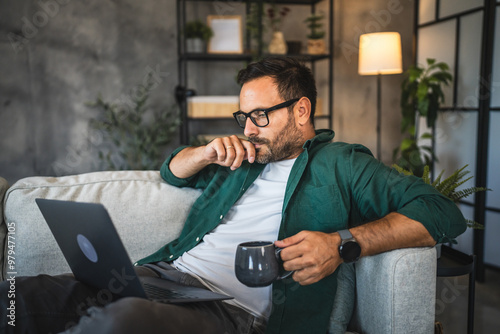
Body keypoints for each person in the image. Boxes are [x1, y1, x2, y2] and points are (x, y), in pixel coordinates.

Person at [0, 57, 466, 334]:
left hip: (227, 312)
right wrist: (204, 153)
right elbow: (172, 172)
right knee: (23, 296)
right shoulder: (240, 157)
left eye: (260, 115)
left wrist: (343, 243)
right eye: (243, 116)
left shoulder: (342, 164)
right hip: (161, 277)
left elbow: (442, 212)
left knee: (125, 323)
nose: (248, 128)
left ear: (301, 110)